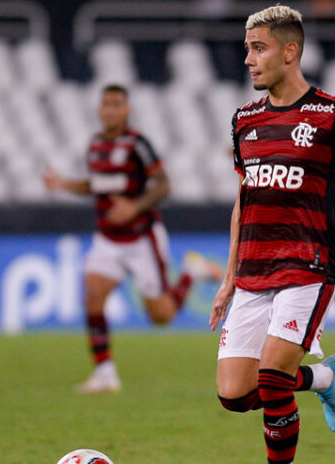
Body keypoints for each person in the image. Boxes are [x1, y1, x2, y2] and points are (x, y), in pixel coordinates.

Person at [209, 5, 335, 463]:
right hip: (254, 270)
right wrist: (229, 275)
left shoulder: (332, 115)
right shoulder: (244, 121)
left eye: (259, 48)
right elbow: (245, 200)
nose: (249, 59)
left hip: (307, 265)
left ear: (290, 51)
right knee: (234, 394)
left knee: (273, 380)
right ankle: (324, 379)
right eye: (247, 50)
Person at [45, 85, 221, 394]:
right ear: (100, 110)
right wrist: (63, 184)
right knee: (93, 296)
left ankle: (191, 274)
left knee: (161, 316)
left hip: (142, 239)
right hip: (109, 239)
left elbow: (164, 185)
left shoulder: (138, 145)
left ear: (126, 110)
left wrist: (134, 207)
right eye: (105, 104)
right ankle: (105, 373)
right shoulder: (96, 145)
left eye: (116, 104)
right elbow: (95, 185)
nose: (109, 110)